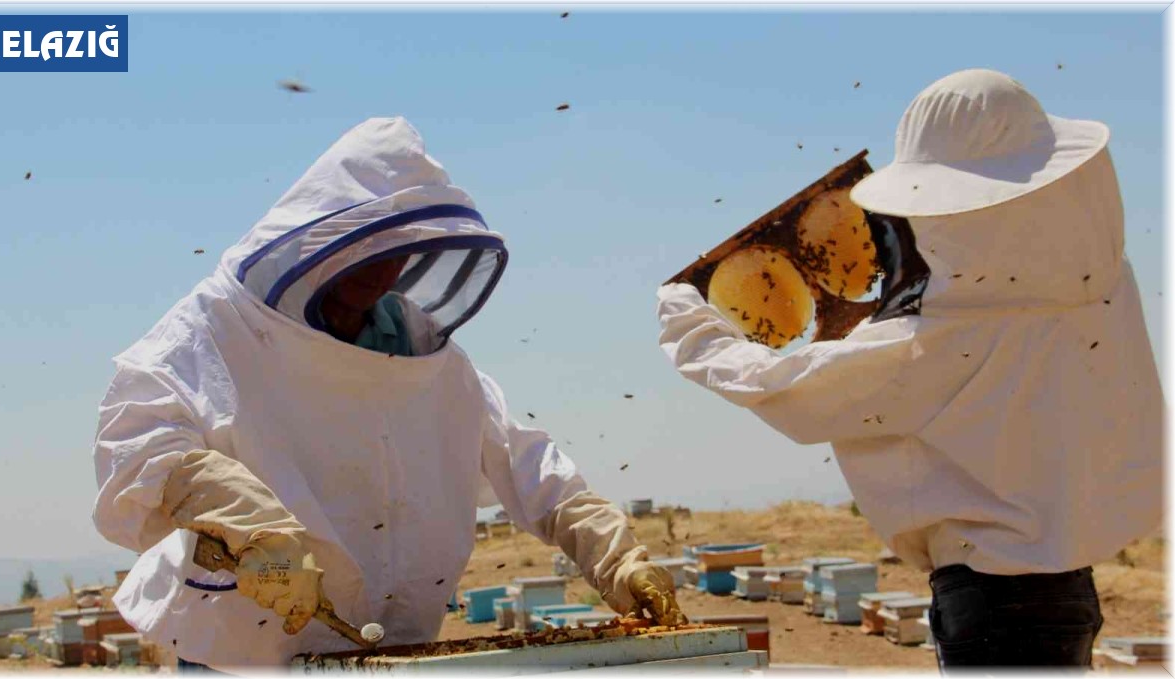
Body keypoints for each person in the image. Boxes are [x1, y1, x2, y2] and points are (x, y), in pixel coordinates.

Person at [94, 117, 684, 672]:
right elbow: (135, 443)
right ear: (323, 241)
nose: (386, 272)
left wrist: (614, 556)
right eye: (370, 250)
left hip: (392, 639)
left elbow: (526, 461)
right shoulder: (219, 327)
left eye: (403, 252)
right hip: (243, 643)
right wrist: (236, 512)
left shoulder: (421, 351)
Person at [656, 69, 1161, 670]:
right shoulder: (1101, 282)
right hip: (1067, 588)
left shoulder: (943, 336)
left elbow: (785, 390)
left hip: (996, 604)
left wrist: (692, 328)